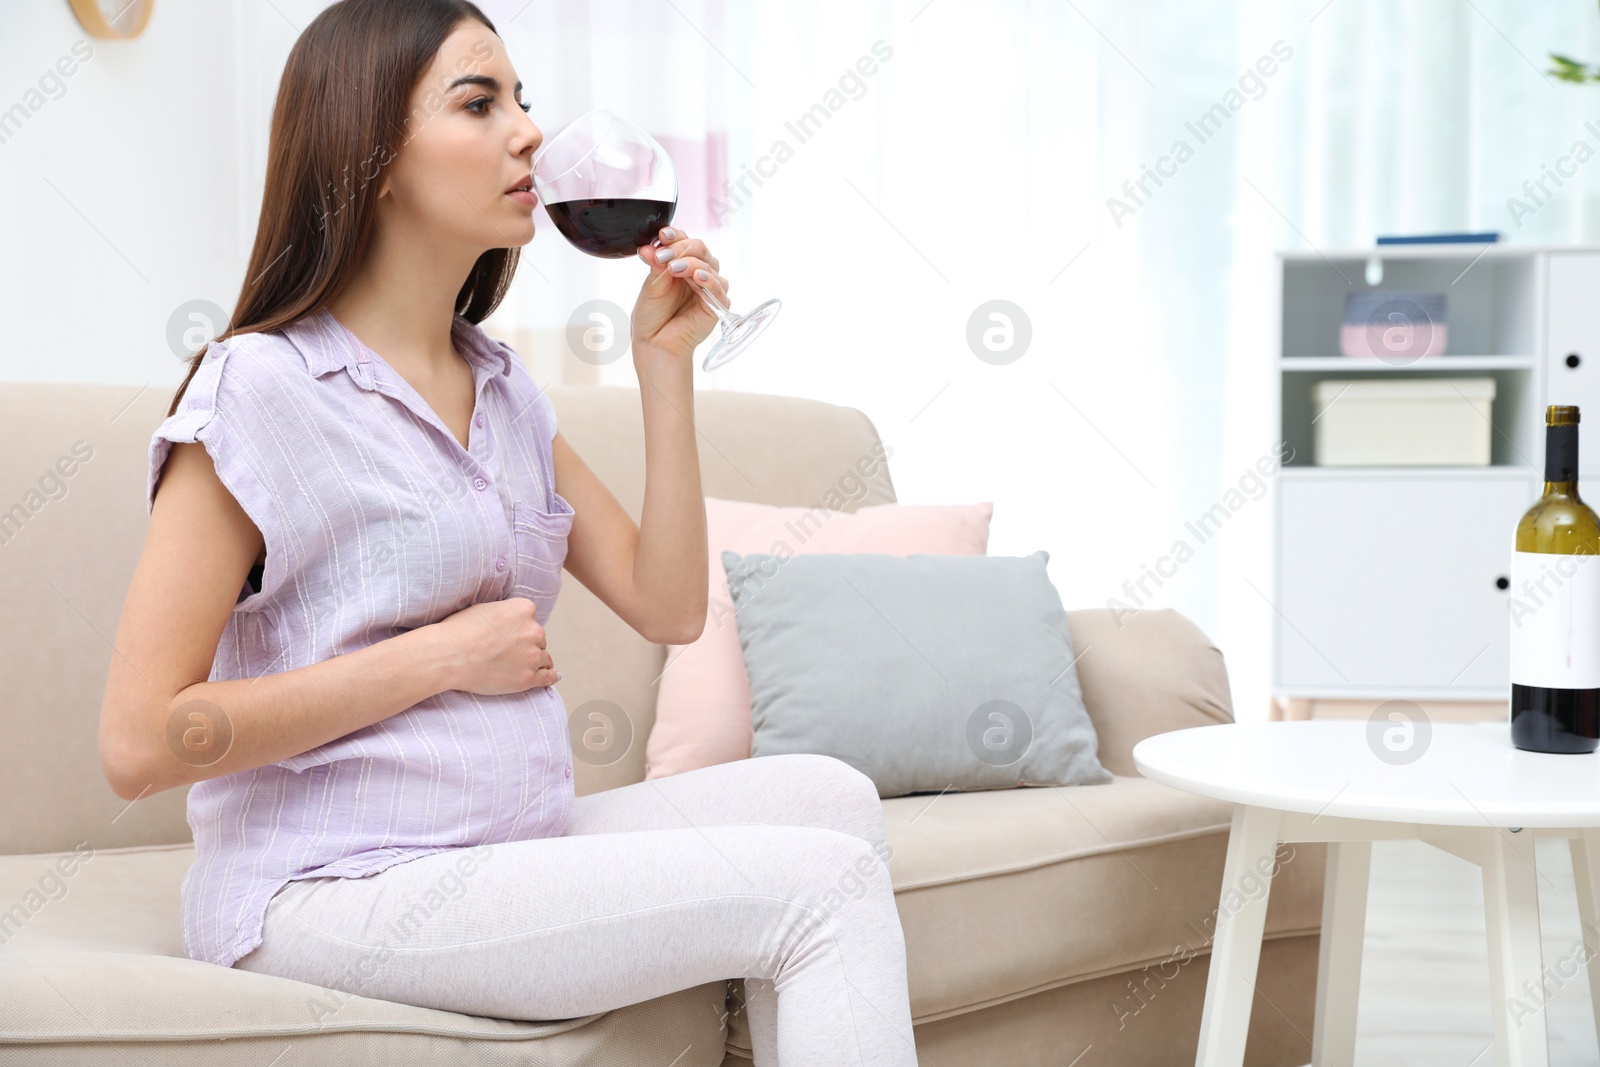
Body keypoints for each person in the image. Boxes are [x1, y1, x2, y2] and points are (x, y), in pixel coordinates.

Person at [96, 2, 919, 1063]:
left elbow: (666, 603)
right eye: (479, 103)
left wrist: (664, 370)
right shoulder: (258, 388)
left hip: (500, 846)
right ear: (373, 156)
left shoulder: (499, 385)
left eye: (522, 101)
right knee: (821, 886)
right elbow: (137, 742)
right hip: (332, 882)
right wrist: (441, 657)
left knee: (830, 800)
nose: (529, 132)